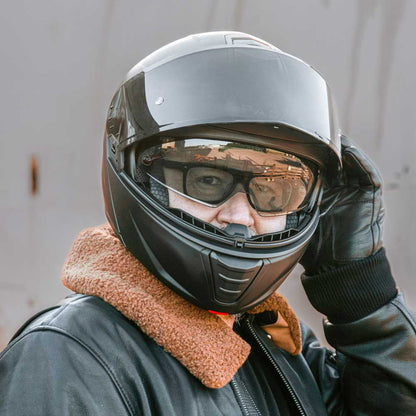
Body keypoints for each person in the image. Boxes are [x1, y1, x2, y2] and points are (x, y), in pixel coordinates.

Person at [1, 31, 415, 415]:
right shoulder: (72, 356)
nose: (239, 218)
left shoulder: (273, 344)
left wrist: (359, 290)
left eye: (272, 191)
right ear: (141, 174)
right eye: (207, 181)